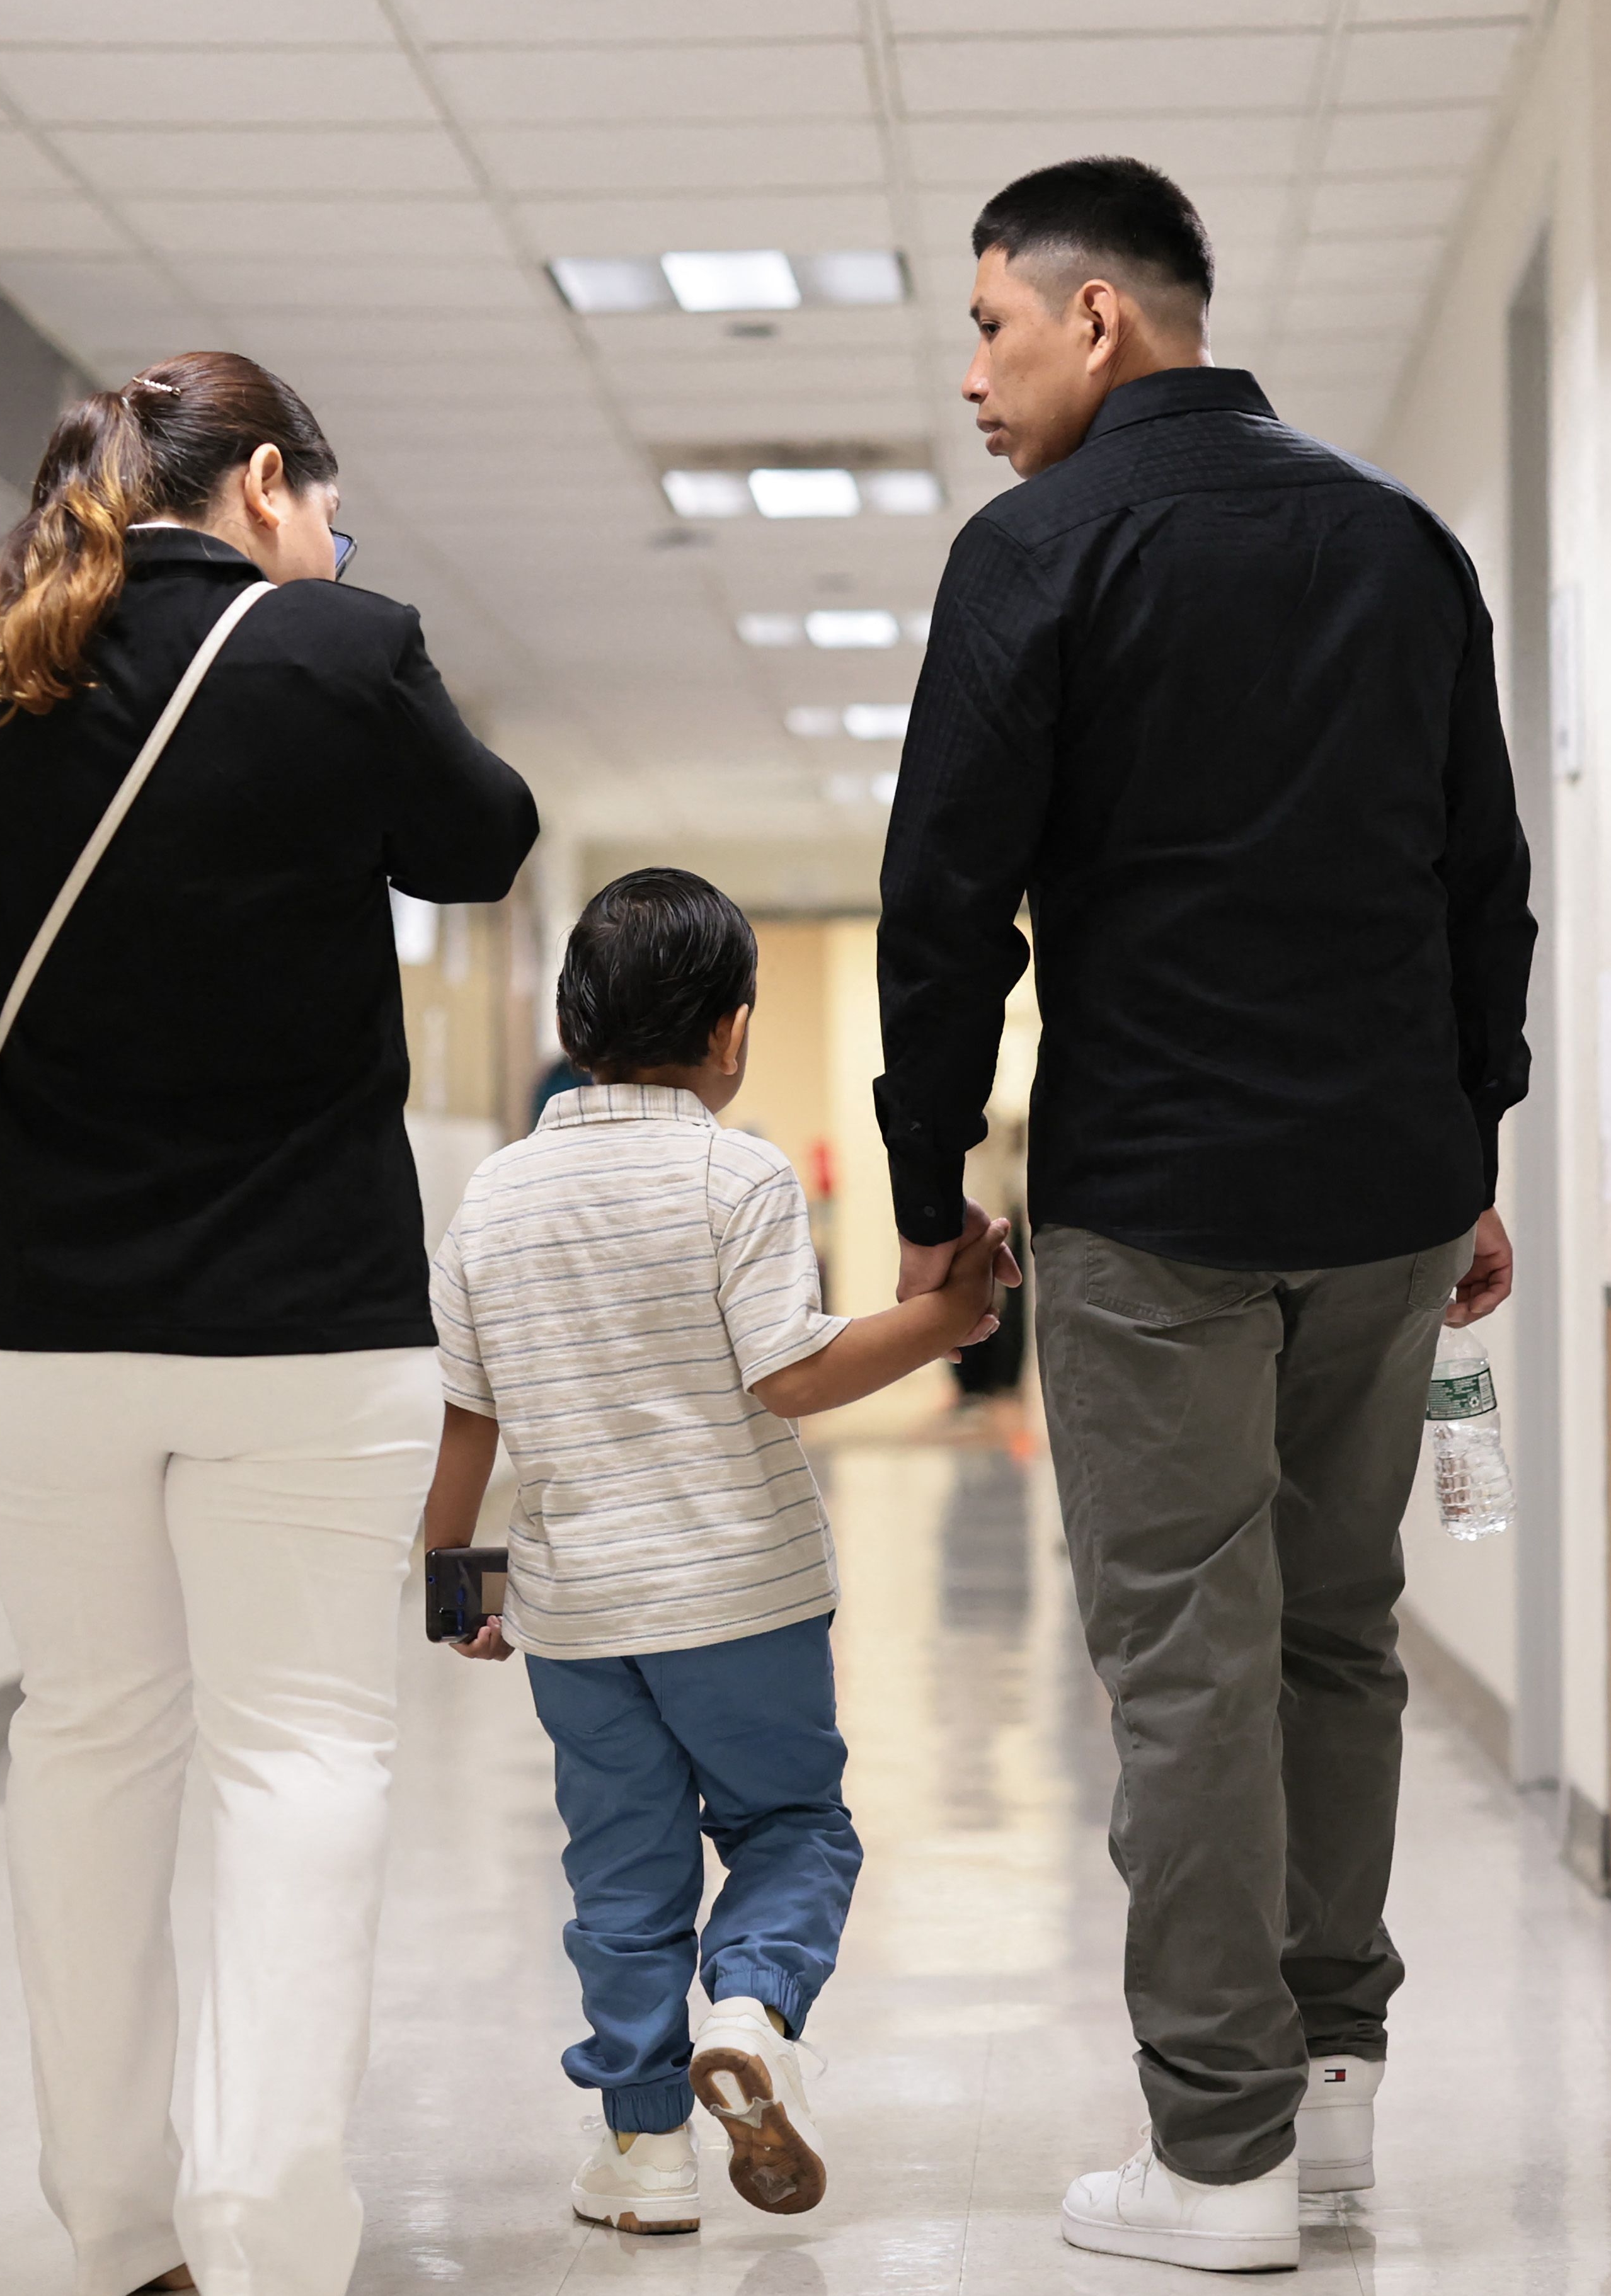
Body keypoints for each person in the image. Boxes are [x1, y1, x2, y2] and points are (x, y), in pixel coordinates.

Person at [0, 352, 537, 2296]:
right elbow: (485, 836)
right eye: (321, 508)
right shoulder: (339, 651)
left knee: (90, 1737)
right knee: (302, 1757)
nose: (331, 543)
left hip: (27, 1322)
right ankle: (273, 2233)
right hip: (308, 1322)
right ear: (265, 479)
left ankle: (121, 2231)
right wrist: (345, 621)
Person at [872, 159, 1537, 2273]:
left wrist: (923, 1194)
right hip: (1387, 1200)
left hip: (1156, 1198)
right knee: (1338, 1630)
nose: (971, 373)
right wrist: (1475, 1150)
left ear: (1099, 321)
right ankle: (1332, 2099)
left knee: (1186, 1654)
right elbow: (1479, 882)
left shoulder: (1035, 556)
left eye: (989, 324)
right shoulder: (1400, 542)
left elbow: (942, 909)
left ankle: (1221, 2157)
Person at [419, 869, 1010, 2237]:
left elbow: (466, 1413)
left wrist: (460, 1584)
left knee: (622, 1877)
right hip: (740, 1595)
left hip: (577, 1615)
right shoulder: (732, 1170)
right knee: (791, 1824)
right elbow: (791, 1376)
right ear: (733, 1032)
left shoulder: (492, 1194)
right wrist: (951, 1317)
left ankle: (643, 2152)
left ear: (573, 1019)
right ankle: (747, 2005)